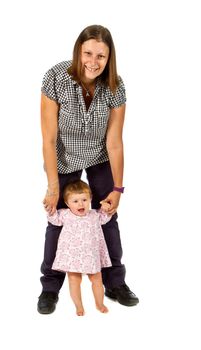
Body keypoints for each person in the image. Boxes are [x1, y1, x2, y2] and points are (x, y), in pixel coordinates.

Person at [38, 24, 139, 314]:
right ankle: (49, 287)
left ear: (110, 58)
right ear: (78, 51)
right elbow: (48, 137)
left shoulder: (115, 86)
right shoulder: (55, 77)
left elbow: (115, 141)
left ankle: (115, 282)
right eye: (88, 53)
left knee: (107, 217)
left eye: (101, 56)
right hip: (63, 158)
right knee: (58, 220)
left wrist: (117, 189)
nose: (93, 62)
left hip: (99, 156)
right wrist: (54, 186)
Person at [46, 180, 112, 316]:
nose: (81, 204)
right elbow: (54, 219)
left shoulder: (94, 214)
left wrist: (107, 207)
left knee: (97, 280)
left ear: (90, 199)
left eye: (84, 199)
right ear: (67, 203)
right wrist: (50, 208)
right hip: (72, 256)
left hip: (91, 256)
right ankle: (79, 306)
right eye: (75, 201)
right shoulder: (64, 214)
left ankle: (99, 303)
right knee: (74, 280)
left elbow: (105, 217)